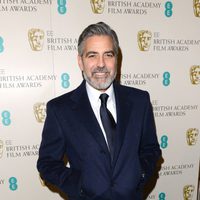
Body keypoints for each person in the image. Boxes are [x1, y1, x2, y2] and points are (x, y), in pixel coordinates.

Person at [37, 22, 161, 200]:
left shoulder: (139, 100)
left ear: (116, 59)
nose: (101, 64)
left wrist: (139, 174)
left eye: (108, 55)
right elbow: (47, 163)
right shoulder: (60, 110)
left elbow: (150, 148)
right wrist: (80, 185)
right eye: (92, 55)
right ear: (80, 61)